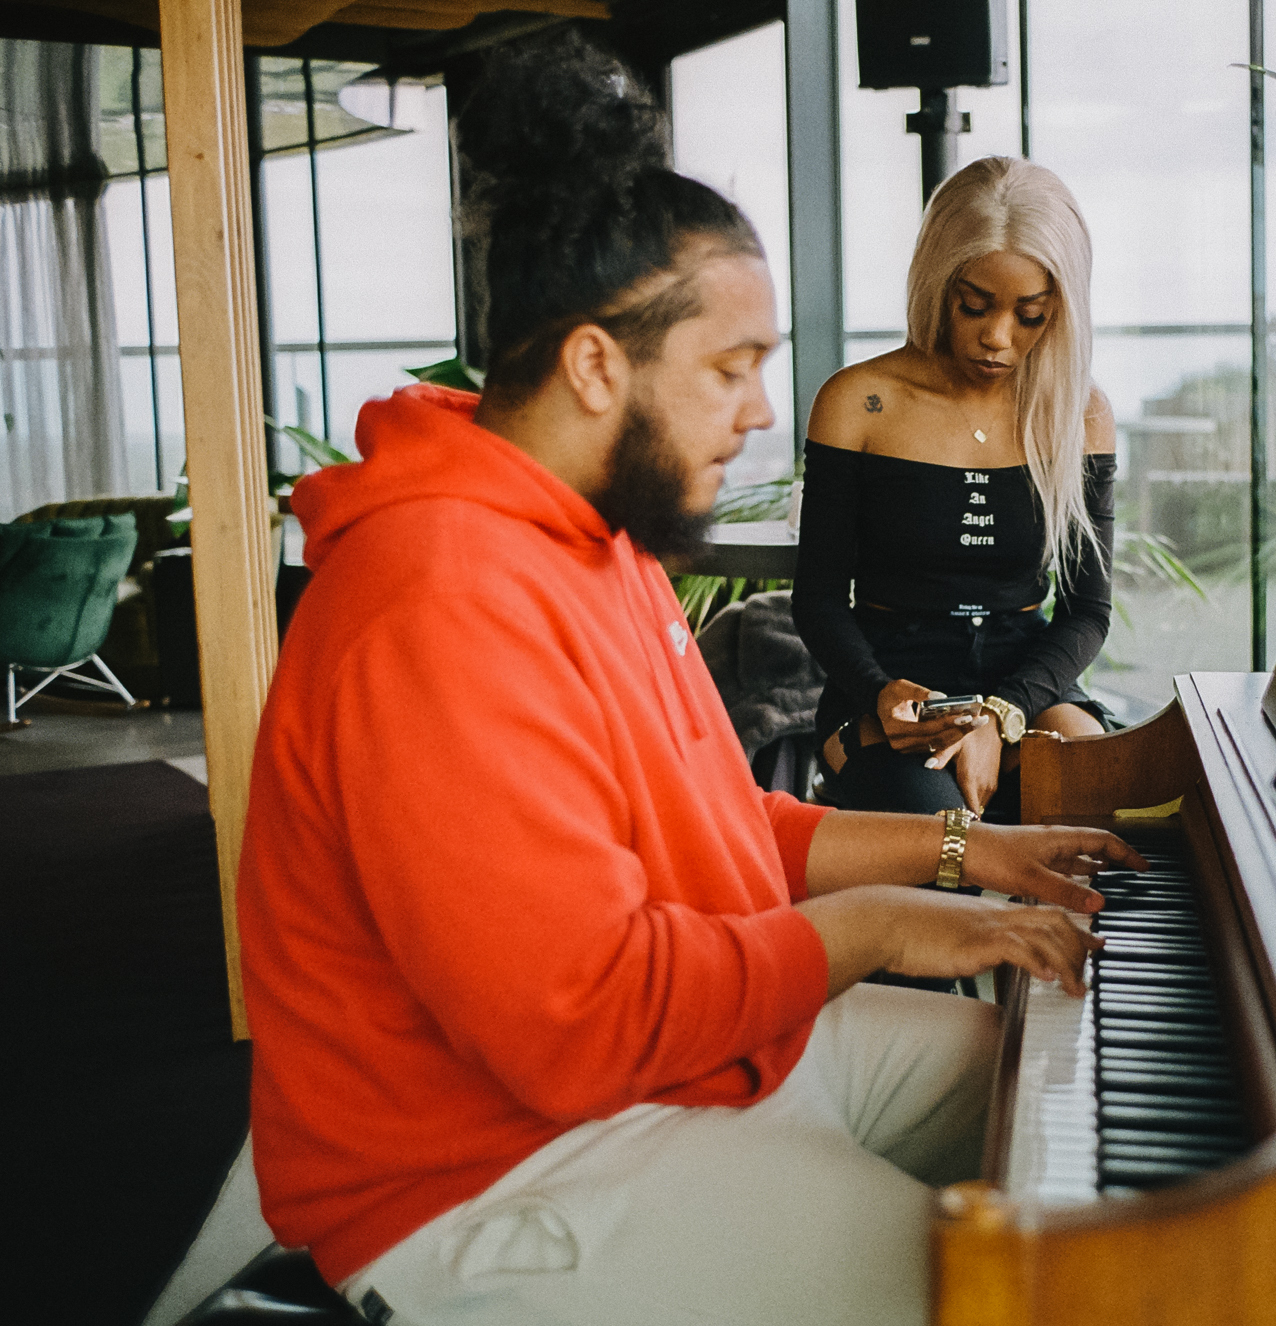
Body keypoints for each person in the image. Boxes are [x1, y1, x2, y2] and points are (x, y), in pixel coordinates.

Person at [235, 36, 1143, 1326]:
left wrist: (972, 856)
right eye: (731, 369)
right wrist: (884, 926)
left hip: (683, 1054)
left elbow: (729, 827)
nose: (766, 411)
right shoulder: (437, 598)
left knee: (1044, 1095)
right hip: (500, 1165)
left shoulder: (601, 540)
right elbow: (581, 1022)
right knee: (1017, 1293)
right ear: (600, 365)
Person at [792, 156, 1116, 828]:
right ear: (939, 283)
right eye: (975, 306)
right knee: (948, 852)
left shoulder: (1078, 412)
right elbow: (818, 599)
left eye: (1030, 315)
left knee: (1094, 804)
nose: (998, 337)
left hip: (1026, 682)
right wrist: (879, 694)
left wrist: (1003, 713)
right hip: (891, 689)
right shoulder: (860, 402)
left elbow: (1088, 610)